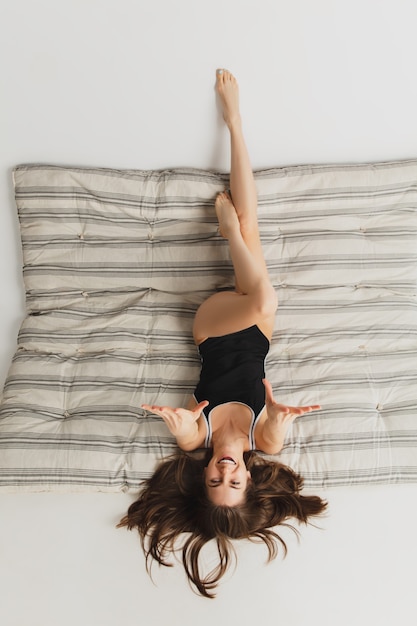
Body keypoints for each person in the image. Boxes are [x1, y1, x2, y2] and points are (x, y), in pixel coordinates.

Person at [118, 69, 327, 598]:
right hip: (259, 335)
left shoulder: (199, 439)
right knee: (254, 244)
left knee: (262, 292)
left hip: (212, 329)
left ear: (205, 477)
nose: (226, 472)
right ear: (251, 481)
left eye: (216, 482)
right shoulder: (263, 440)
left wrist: (177, 418)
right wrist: (280, 415)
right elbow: (278, 431)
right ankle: (235, 126)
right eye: (236, 483)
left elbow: (185, 431)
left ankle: (228, 230)